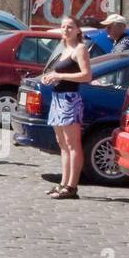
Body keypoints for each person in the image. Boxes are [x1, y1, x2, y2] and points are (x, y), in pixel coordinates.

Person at [40, 15, 92, 200]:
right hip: (57, 98)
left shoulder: (80, 49)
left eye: (70, 26)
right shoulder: (63, 48)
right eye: (63, 26)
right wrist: (50, 77)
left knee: (72, 144)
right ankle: (64, 183)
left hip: (70, 99)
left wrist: (60, 77)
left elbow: (86, 75)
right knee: (62, 144)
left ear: (78, 30)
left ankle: (72, 186)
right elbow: (57, 72)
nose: (66, 30)